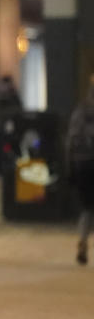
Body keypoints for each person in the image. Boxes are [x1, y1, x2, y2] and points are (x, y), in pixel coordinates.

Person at [66, 78, 94, 265]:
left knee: (87, 208)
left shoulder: (80, 112)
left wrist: (70, 166)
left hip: (81, 164)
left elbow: (69, 142)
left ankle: (83, 242)